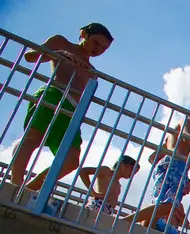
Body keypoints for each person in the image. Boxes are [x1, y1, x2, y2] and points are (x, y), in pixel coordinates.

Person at [9, 23, 114, 192]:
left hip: (73, 111)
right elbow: (30, 56)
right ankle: (14, 184)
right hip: (54, 93)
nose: (98, 50)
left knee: (71, 159)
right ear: (84, 34)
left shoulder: (93, 70)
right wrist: (56, 54)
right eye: (96, 43)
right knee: (32, 138)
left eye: (104, 48)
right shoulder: (62, 43)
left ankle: (29, 189)